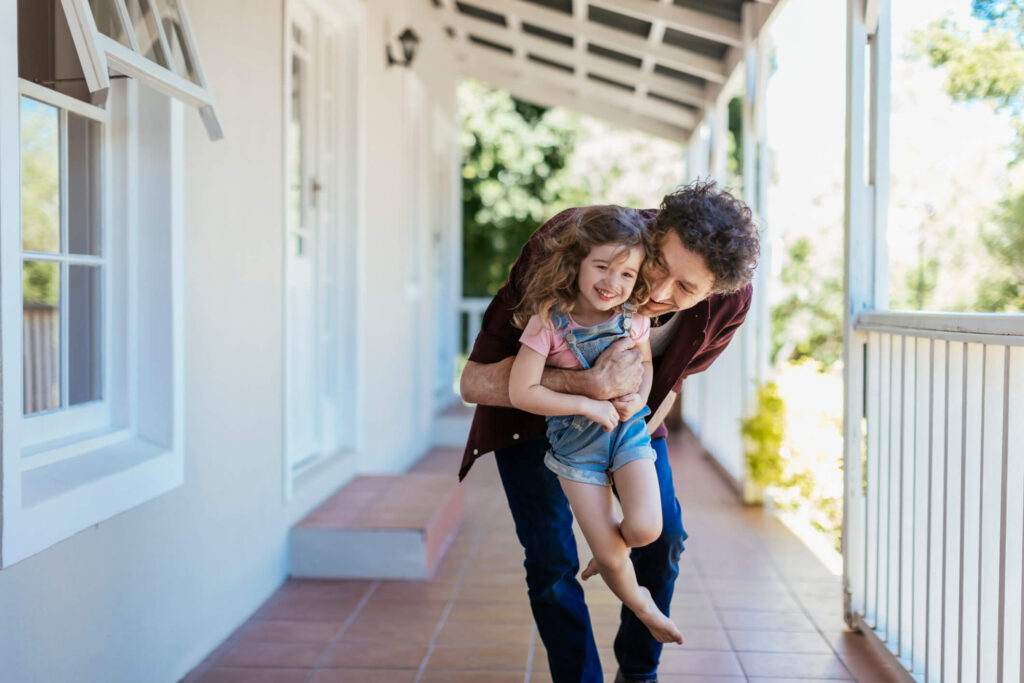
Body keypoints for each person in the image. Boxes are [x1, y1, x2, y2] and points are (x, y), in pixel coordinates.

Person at [459, 179, 759, 683]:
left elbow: (667, 384)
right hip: (532, 419)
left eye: (686, 289)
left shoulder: (729, 305)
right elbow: (474, 383)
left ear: (714, 293)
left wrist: (625, 454)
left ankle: (638, 674)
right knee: (552, 561)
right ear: (653, 233)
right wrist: (587, 384)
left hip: (628, 421)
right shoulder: (578, 242)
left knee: (661, 539)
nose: (661, 294)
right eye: (659, 267)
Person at [507, 205, 684, 645]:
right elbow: (521, 392)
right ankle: (642, 605)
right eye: (601, 267)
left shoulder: (632, 319)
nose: (612, 283)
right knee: (610, 552)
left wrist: (635, 401)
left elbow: (644, 368)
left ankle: (609, 558)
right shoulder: (549, 322)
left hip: (626, 432)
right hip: (575, 447)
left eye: (626, 275)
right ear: (577, 263)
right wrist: (587, 406)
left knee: (646, 529)